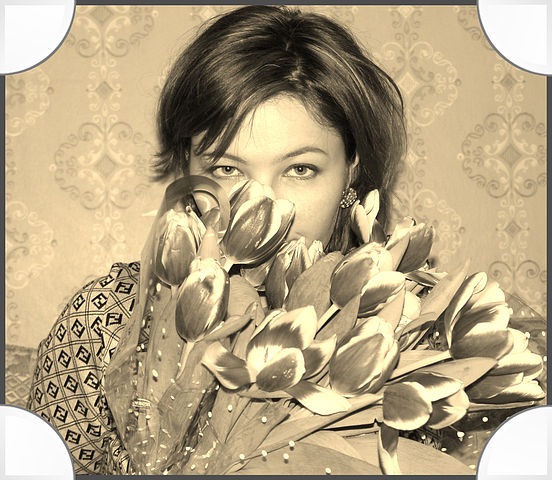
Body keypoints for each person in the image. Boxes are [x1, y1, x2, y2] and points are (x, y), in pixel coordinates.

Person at [26, 5, 407, 474]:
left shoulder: (397, 334)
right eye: (227, 168)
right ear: (187, 170)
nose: (262, 202)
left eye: (300, 169)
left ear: (351, 171)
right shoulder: (106, 321)